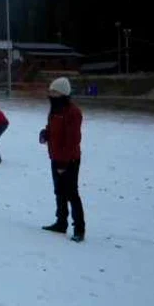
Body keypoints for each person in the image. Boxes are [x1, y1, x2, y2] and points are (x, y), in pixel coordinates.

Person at [40, 77, 86, 242]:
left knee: (71, 194)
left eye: (54, 91)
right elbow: (52, 128)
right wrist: (45, 133)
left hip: (69, 160)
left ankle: (79, 229)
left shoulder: (73, 112)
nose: (50, 94)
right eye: (51, 91)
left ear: (63, 93)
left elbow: (72, 140)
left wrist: (64, 163)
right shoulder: (54, 109)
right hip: (55, 157)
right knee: (59, 192)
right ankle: (61, 223)